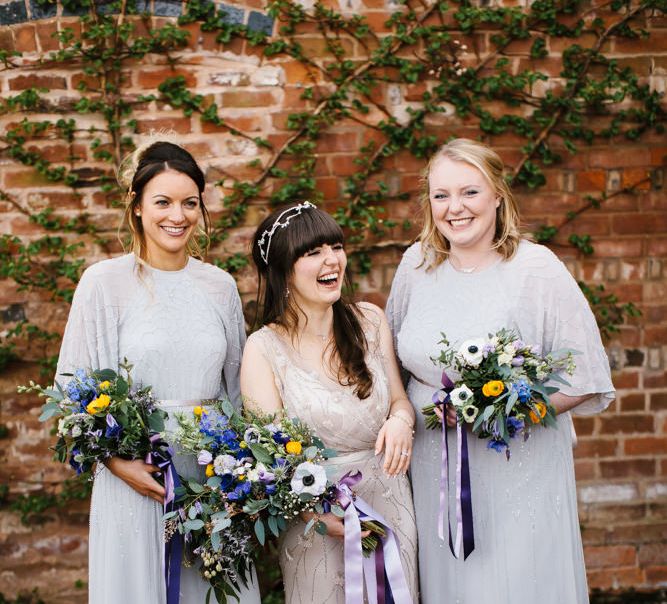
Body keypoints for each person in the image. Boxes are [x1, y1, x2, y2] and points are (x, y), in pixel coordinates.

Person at [386, 138, 615, 604]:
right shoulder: (416, 264)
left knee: (516, 581)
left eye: (470, 192)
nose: (455, 208)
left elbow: (585, 375)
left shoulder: (536, 268)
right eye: (440, 195)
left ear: (497, 195)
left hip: (518, 466)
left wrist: (503, 413)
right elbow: (391, 356)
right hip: (436, 464)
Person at [55, 140, 260, 604]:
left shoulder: (219, 286)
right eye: (163, 201)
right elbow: (71, 389)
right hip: (136, 476)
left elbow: (238, 391)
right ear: (137, 206)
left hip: (210, 479)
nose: (178, 215)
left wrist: (240, 474)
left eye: (190, 203)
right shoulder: (103, 283)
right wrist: (115, 462)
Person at [240, 202, 418, 603]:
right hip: (318, 521)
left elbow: (401, 401)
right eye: (312, 252)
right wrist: (318, 515)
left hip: (390, 503)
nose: (331, 260)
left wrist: (401, 422)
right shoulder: (263, 348)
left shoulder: (370, 320)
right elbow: (271, 461)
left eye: (335, 246)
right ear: (283, 270)